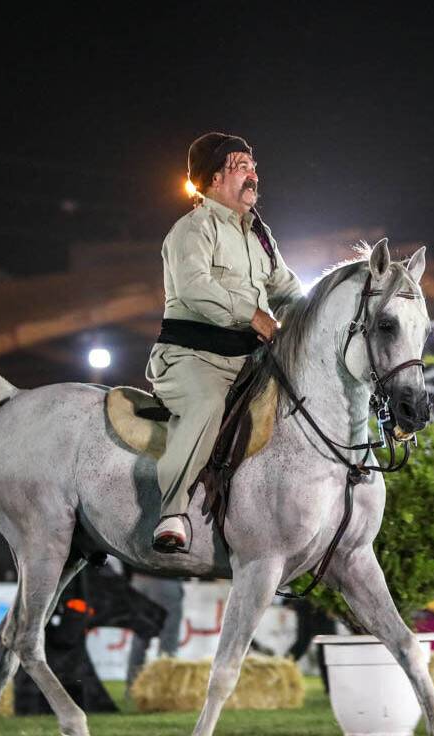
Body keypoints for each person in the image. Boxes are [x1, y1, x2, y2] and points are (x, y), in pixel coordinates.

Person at [146, 132, 304, 552]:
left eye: (253, 167)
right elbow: (195, 288)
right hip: (192, 358)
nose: (253, 175)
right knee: (207, 406)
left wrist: (316, 313)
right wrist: (253, 315)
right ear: (214, 179)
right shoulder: (190, 230)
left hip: (248, 359)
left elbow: (286, 288)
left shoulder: (260, 235)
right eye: (241, 167)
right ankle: (173, 513)